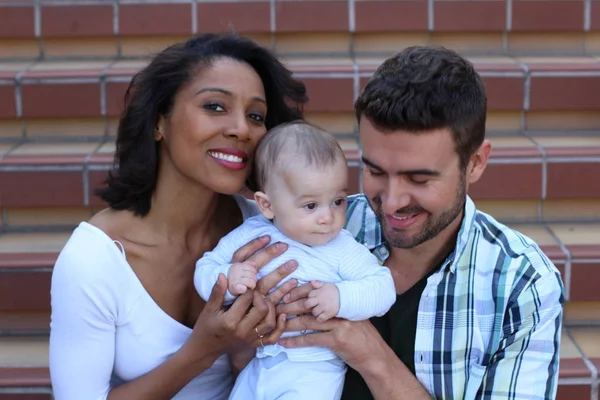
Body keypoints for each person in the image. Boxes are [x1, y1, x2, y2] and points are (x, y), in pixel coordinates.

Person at [277, 46, 565, 399]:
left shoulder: (520, 282)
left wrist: (372, 356)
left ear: (475, 162)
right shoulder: (308, 228)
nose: (393, 201)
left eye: (419, 179)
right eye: (375, 171)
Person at [49, 33, 309, 400]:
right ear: (159, 121)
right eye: (215, 106)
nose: (241, 129)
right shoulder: (95, 259)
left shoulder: (266, 234)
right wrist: (203, 349)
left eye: (256, 115)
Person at [194, 121, 396, 400]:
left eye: (338, 201)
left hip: (313, 372)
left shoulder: (341, 247)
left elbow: (383, 288)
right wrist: (229, 277)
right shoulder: (252, 234)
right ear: (267, 205)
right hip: (261, 362)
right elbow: (206, 266)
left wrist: (341, 297)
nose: (328, 217)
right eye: (311, 205)